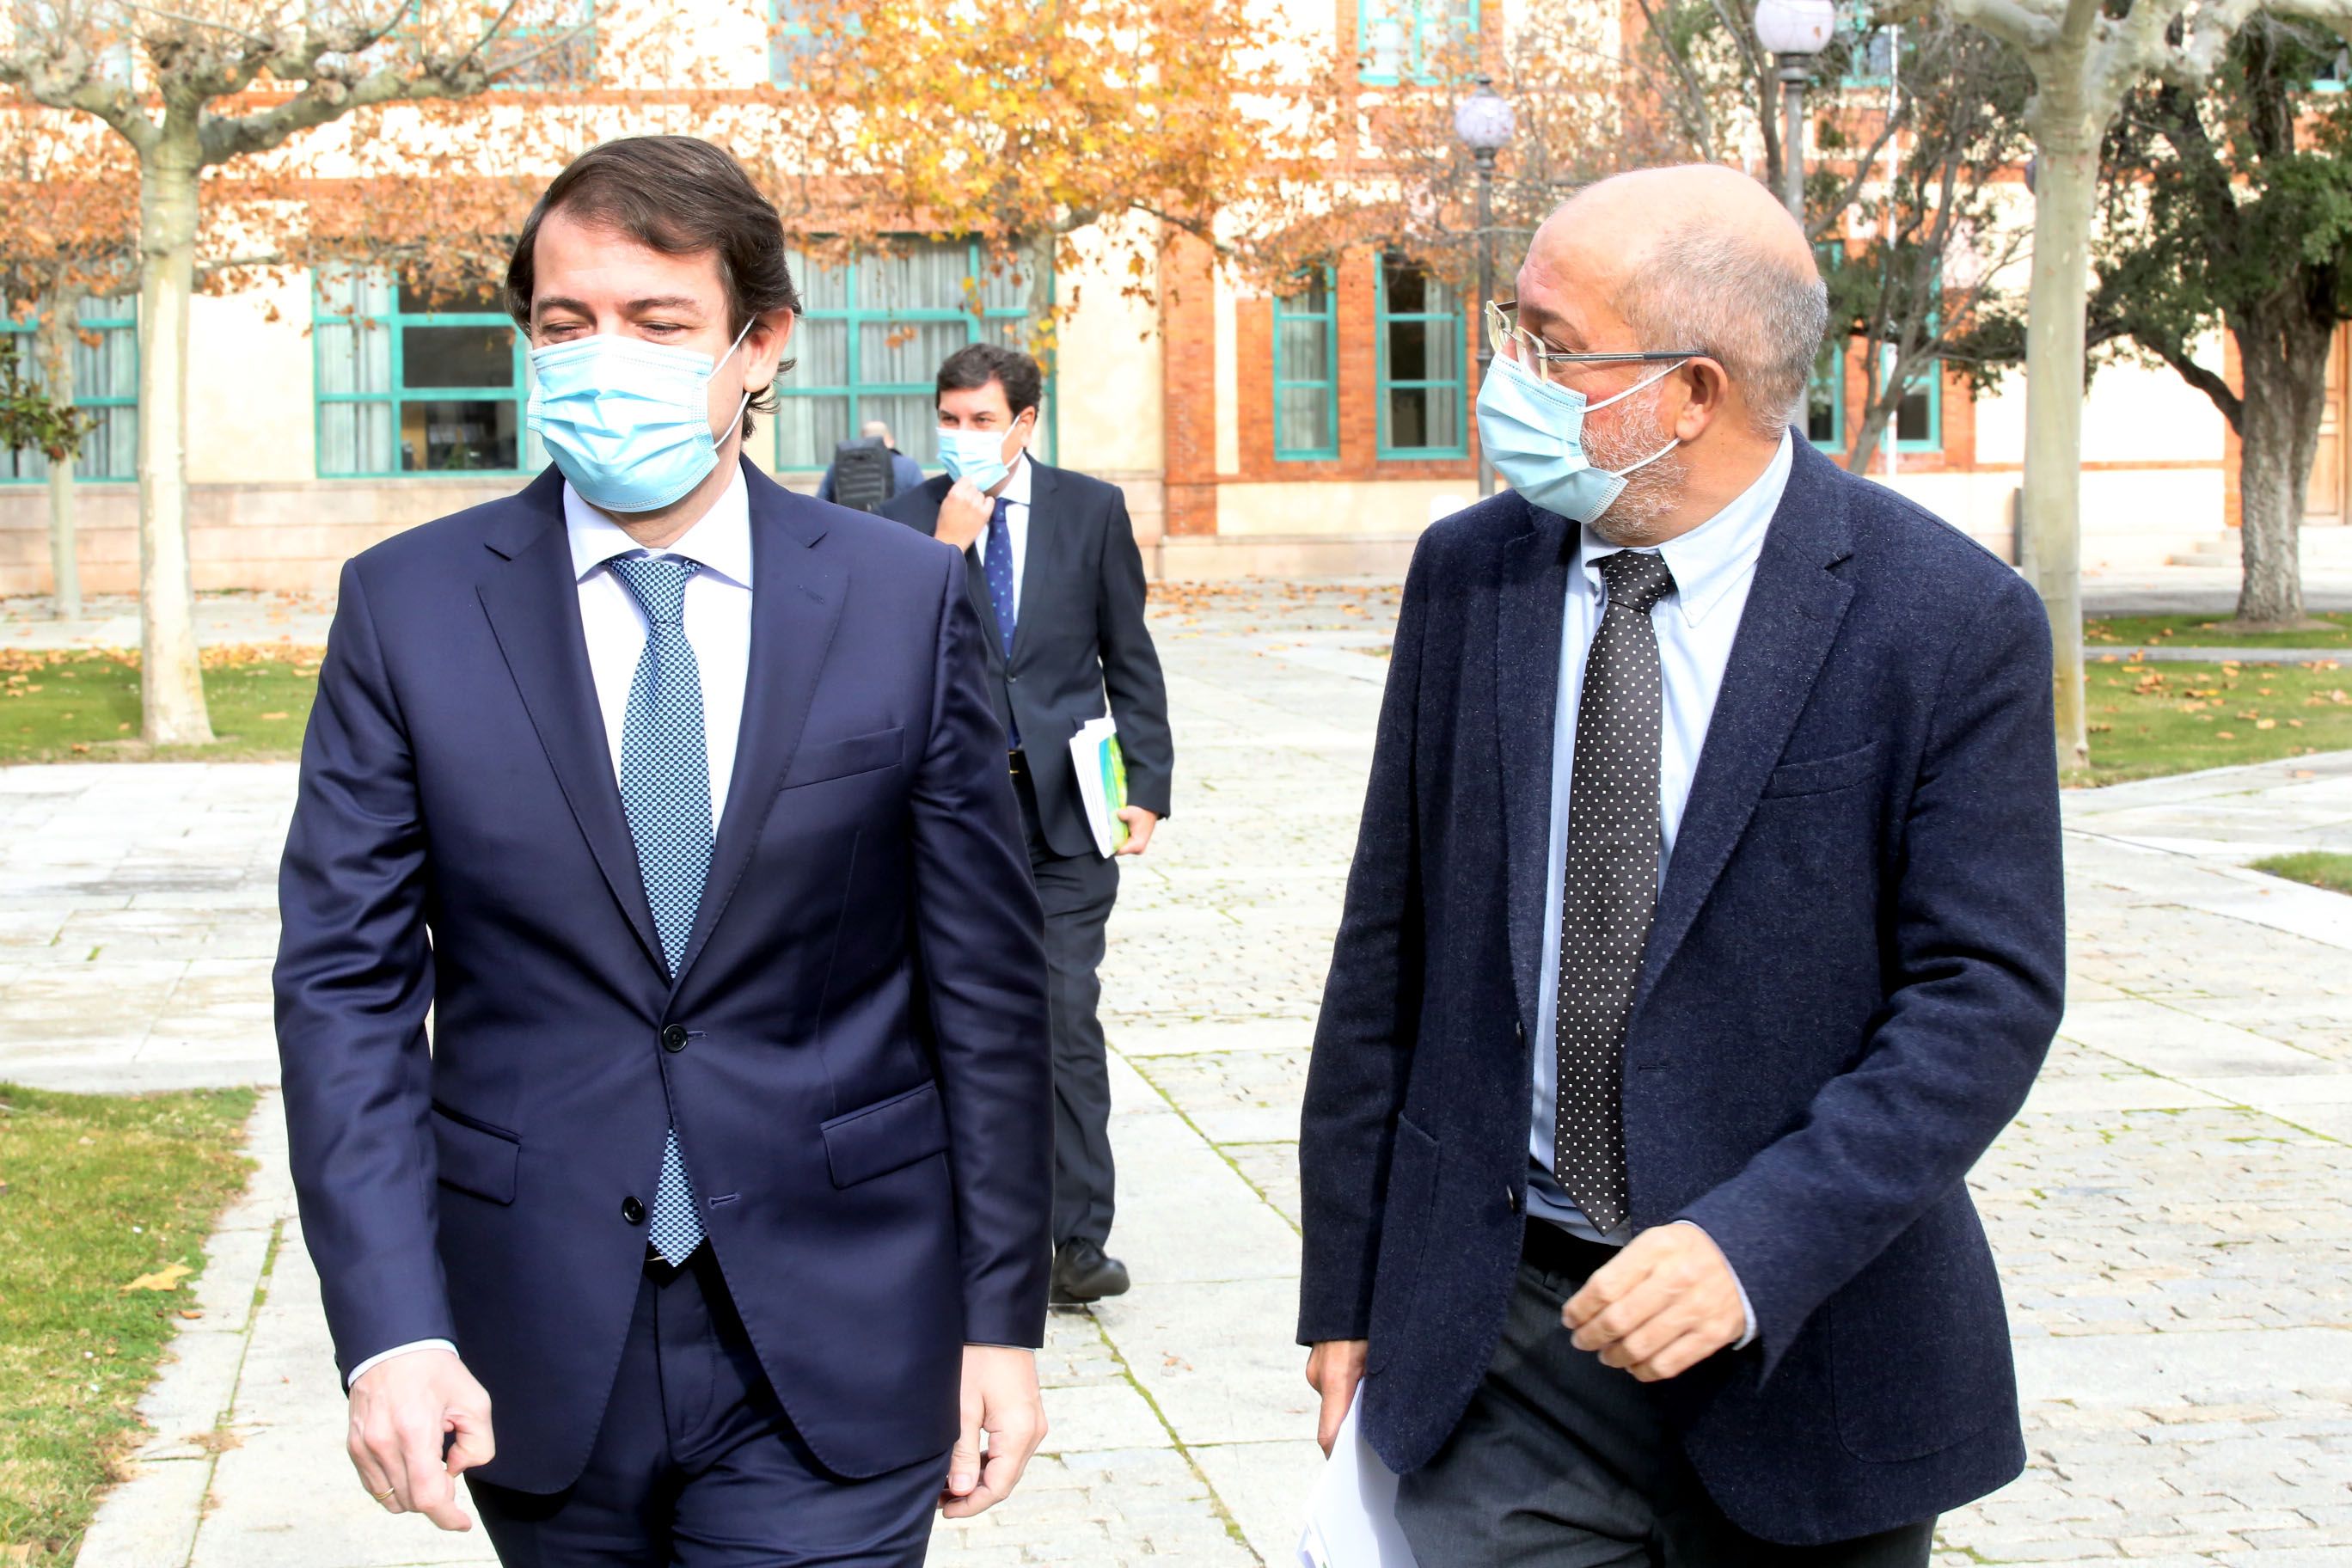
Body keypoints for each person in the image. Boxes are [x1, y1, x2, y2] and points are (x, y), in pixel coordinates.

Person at [273, 135, 1054, 1567]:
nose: (601, 356)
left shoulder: (900, 599)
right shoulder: (409, 608)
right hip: (531, 1341)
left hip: (842, 1323)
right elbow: (346, 990)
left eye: (656, 321)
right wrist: (389, 1326)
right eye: (566, 323)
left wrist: (1001, 1315)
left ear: (761, 346)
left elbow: (990, 988)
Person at [1296, 164, 2064, 1565]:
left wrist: (1753, 1243)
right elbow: (1386, 947)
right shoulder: (1469, 578)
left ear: (1691, 392)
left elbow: (1984, 996)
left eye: (1546, 342)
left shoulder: (1945, 622)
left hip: (1810, 1344)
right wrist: (1343, 1284)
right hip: (1502, 1323)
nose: (1505, 375)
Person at [880, 343, 1173, 1307]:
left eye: (980, 420)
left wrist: (1150, 783)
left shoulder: (1091, 511)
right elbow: (879, 663)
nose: (962, 438)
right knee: (943, 1020)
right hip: (949, 818)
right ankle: (956, 1230)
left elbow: (1128, 654)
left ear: (1025, 423)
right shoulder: (903, 521)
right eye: (949, 419)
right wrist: (944, 551)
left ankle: (1076, 1241)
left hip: (1063, 816)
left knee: (1061, 1019)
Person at [818, 419, 925, 505]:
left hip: (849, 529)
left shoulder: (837, 466)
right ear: (890, 441)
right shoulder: (908, 466)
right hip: (894, 530)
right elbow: (922, 503)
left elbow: (820, 504)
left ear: (862, 441)